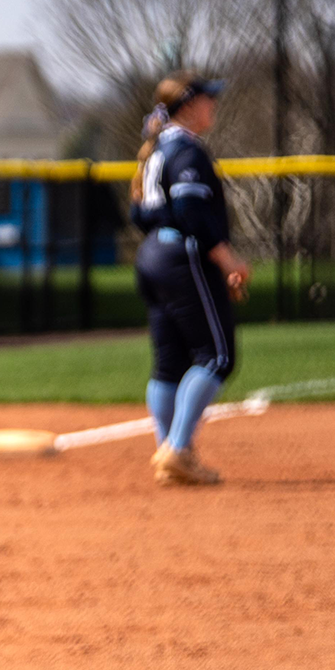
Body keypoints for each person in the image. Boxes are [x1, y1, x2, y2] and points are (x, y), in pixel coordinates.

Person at [130, 71, 249, 487]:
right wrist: (227, 258)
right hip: (183, 257)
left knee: (170, 365)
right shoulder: (187, 151)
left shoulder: (156, 150)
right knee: (217, 356)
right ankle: (177, 448)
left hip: (152, 256)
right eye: (206, 98)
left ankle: (169, 452)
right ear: (188, 105)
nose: (212, 104)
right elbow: (192, 213)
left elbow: (137, 214)